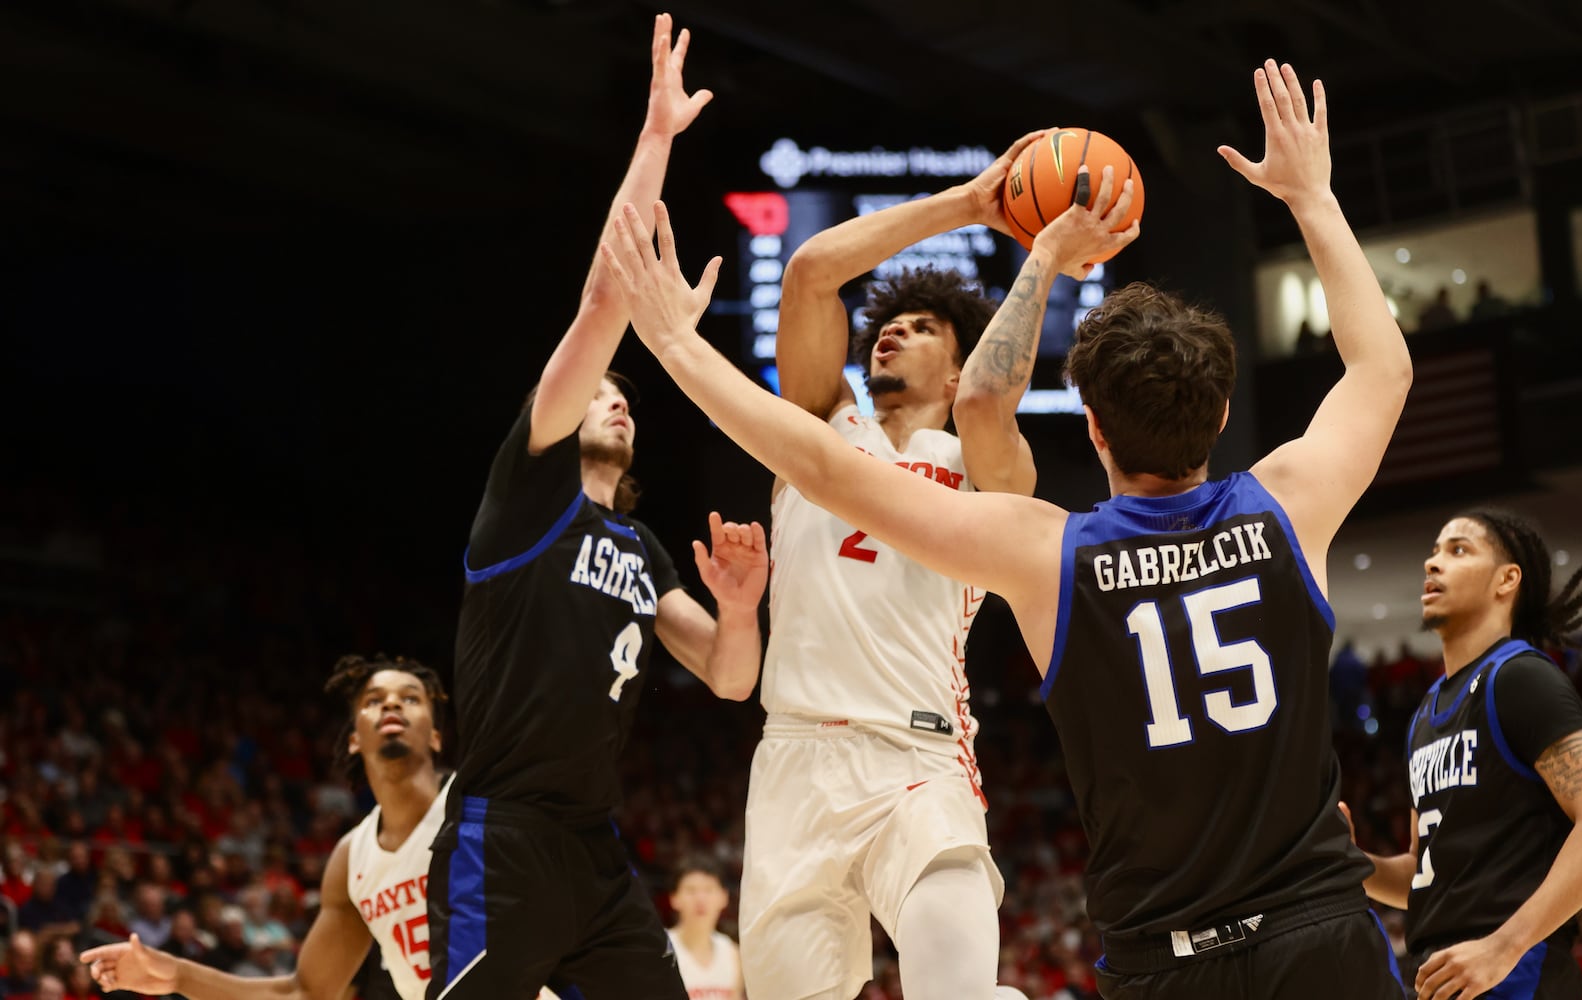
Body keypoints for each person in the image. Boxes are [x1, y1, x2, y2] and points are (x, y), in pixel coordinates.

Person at [602, 59, 1412, 1000]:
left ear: (1094, 428)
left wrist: (672, 343)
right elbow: (1381, 372)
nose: (892, 335)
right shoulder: (1277, 508)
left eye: (920, 328)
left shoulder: (1050, 548)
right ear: (1223, 409)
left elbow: (891, 440)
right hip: (1310, 923)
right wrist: (1311, 197)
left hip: (1099, 899)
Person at [739, 121, 1134, 999]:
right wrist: (968, 204)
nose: (891, 336)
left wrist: (1041, 252)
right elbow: (809, 273)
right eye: (889, 326)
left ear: (954, 373)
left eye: (920, 330)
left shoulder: (978, 466)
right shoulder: (817, 429)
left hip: (914, 756)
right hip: (792, 758)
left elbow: (994, 397)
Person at [429, 14, 767, 1000]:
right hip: (505, 833)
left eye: (625, 394)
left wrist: (741, 609)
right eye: (600, 391)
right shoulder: (527, 493)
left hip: (591, 846)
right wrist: (657, 137)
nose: (613, 394)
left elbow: (730, 679)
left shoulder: (643, 547)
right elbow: (603, 299)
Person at [82, 655, 561, 1000]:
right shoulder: (353, 859)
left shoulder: (485, 805)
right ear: (354, 738)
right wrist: (178, 977)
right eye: (374, 700)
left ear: (435, 734)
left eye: (410, 698)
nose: (392, 705)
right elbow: (305, 992)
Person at [1347, 510, 1582, 1000]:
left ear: (1507, 580)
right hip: (1443, 976)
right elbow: (1423, 871)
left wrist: (1504, 947)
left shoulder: (1521, 678)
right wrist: (1354, 863)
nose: (1433, 563)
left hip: (1512, 976)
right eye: (1435, 550)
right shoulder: (1426, 711)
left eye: (1458, 550)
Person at [666, 860, 743, 1000]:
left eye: (709, 890)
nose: (700, 899)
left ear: (723, 897)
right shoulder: (661, 948)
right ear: (674, 898)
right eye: (691, 890)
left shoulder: (733, 953)